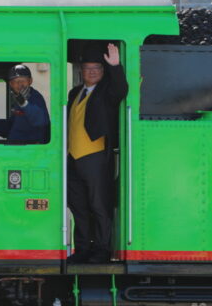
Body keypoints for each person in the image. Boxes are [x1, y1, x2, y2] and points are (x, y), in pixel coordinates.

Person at [67, 43, 128, 264]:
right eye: (88, 68)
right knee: (79, 207)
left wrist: (115, 66)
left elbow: (120, 90)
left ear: (103, 71)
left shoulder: (106, 91)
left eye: (97, 68)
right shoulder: (75, 92)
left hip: (96, 156)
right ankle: (83, 249)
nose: (92, 72)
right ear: (81, 71)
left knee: (99, 205)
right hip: (72, 158)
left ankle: (102, 250)